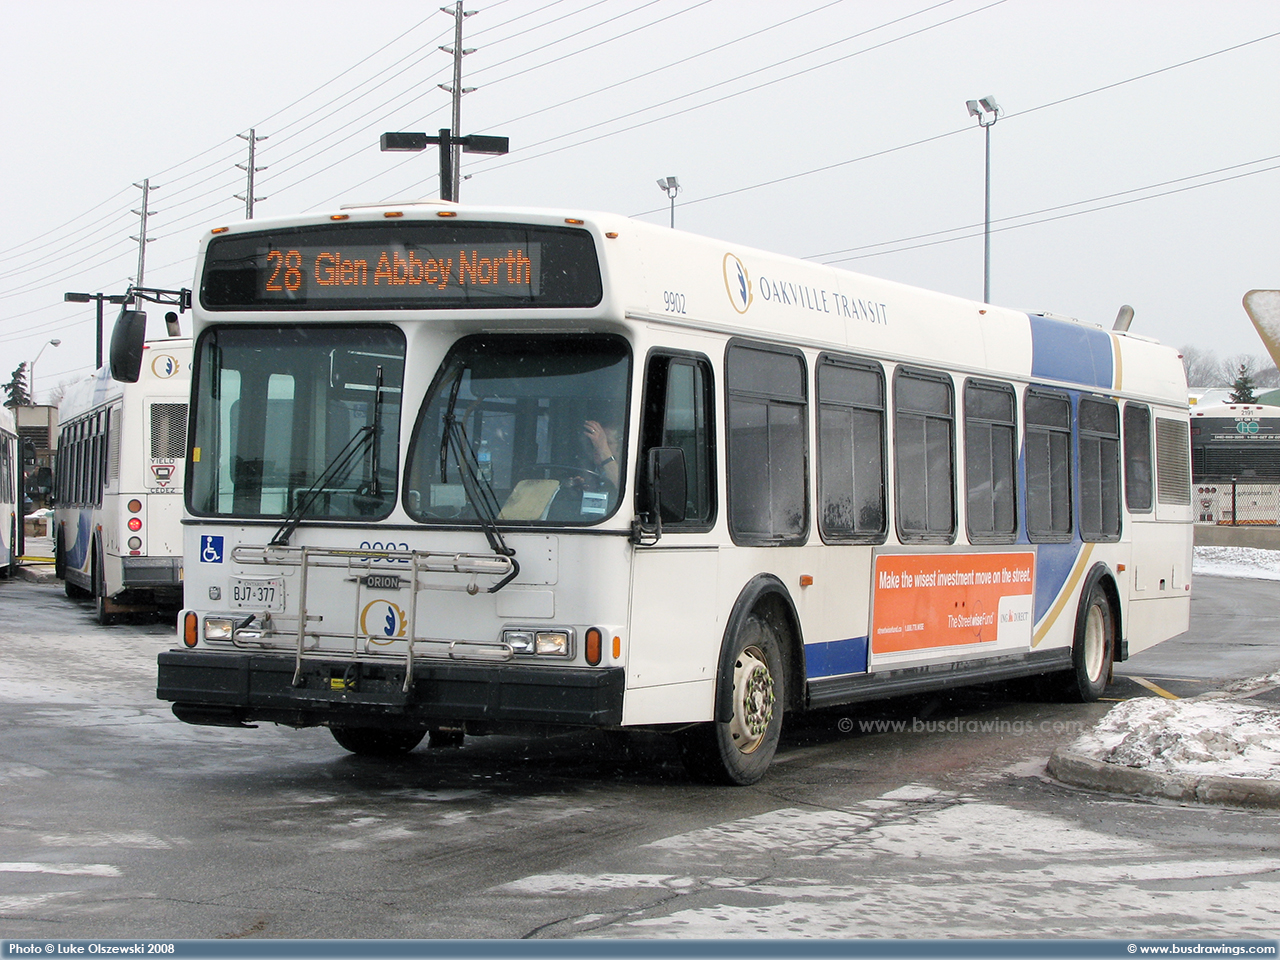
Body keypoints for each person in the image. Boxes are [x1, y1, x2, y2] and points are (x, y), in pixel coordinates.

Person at [582, 419, 621, 488]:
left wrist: (602, 448)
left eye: (607, 443)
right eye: (594, 441)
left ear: (620, 446)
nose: (597, 446)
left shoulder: (628, 470)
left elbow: (621, 485)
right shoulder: (584, 469)